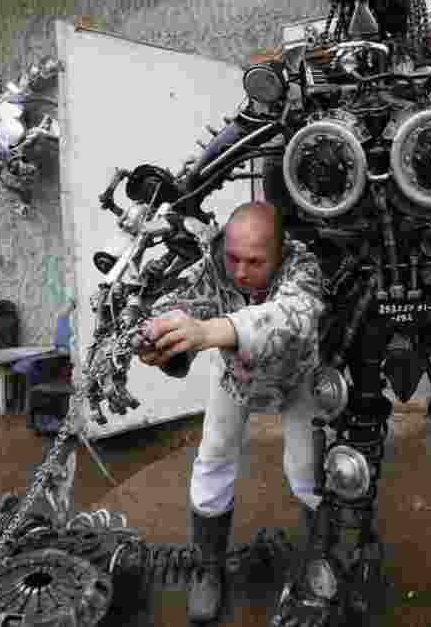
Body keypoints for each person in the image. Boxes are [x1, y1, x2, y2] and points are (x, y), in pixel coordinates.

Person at [137, 201, 326, 623]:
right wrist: (158, 340)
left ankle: (321, 559)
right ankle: (208, 568)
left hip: (297, 381)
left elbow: (291, 318)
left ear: (280, 255)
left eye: (255, 262)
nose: (239, 272)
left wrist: (207, 332)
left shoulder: (304, 267)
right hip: (236, 381)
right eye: (233, 259)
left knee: (308, 471)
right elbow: (180, 302)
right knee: (213, 459)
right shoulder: (213, 265)